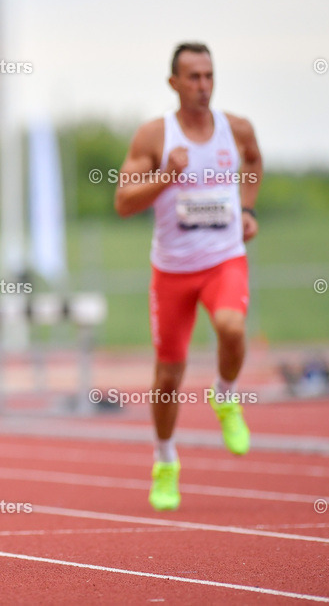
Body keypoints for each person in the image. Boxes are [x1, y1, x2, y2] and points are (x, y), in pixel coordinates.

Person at [114, 42, 263, 511]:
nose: (203, 85)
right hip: (173, 271)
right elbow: (123, 202)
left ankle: (225, 396)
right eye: (193, 77)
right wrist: (166, 175)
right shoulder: (155, 136)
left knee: (232, 327)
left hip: (224, 259)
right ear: (174, 83)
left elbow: (254, 162)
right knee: (168, 375)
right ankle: (165, 460)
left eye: (209, 76)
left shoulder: (235, 129)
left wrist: (245, 208)